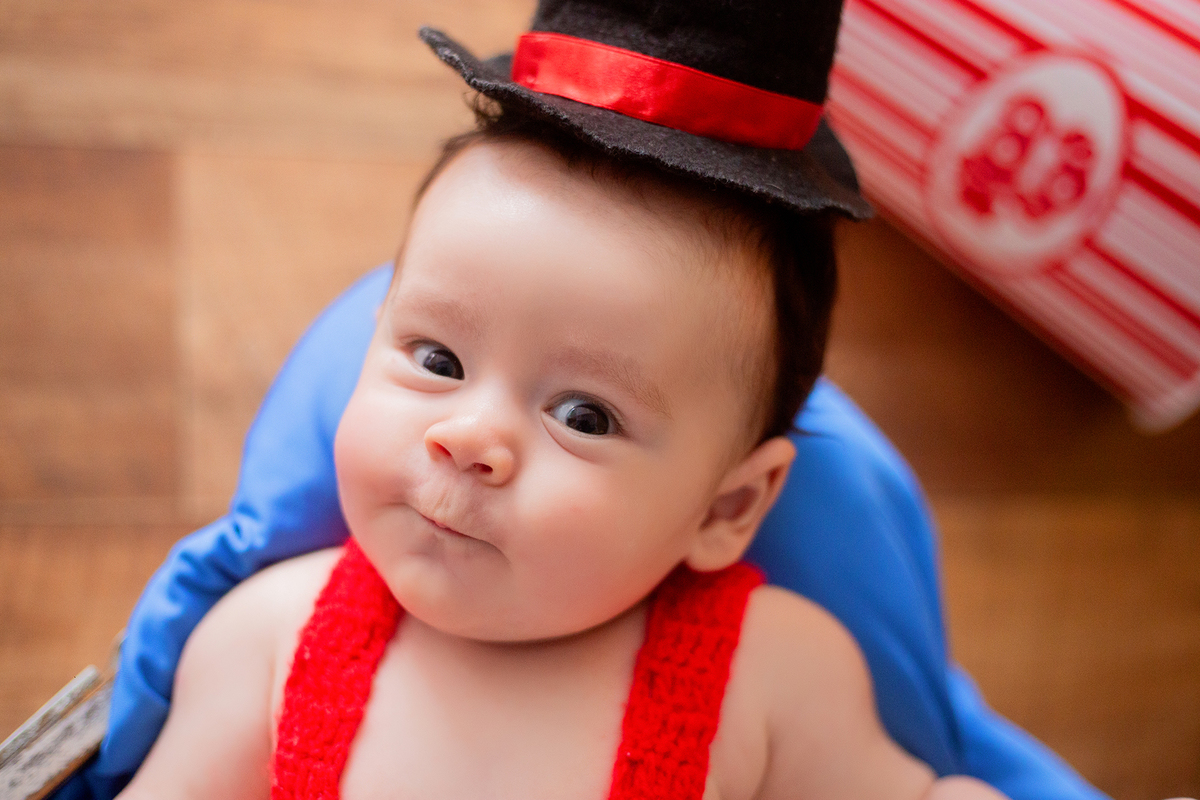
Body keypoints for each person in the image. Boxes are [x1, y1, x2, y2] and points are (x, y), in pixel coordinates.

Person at [76, 2, 1106, 799]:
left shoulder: (767, 676)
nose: (469, 435)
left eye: (583, 416)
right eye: (435, 355)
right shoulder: (272, 642)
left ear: (727, 509)